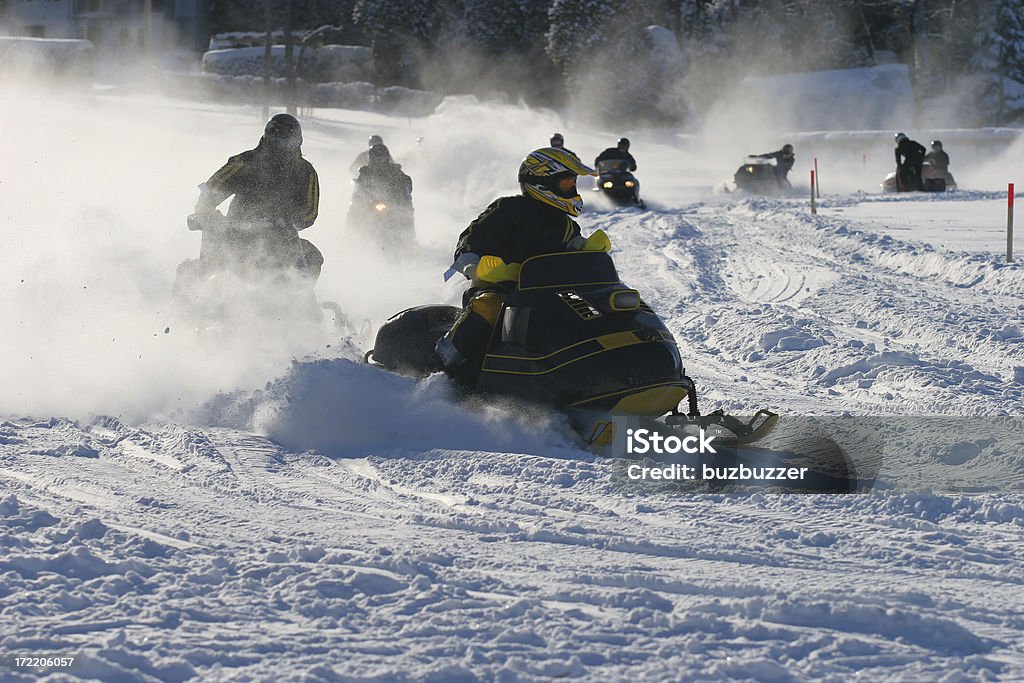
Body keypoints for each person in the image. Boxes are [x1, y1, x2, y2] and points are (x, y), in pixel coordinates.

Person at [435, 147, 597, 384]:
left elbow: (569, 250)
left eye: (573, 184)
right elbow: (473, 237)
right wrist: (472, 261)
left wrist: (584, 250)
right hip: (501, 290)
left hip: (549, 294)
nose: (572, 189)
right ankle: (446, 364)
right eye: (566, 184)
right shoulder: (508, 210)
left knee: (590, 310)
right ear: (542, 182)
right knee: (488, 306)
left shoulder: (566, 224)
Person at [192, 112, 323, 280]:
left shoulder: (306, 172)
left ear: (298, 141)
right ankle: (194, 298)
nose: (282, 146)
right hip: (237, 231)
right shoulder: (245, 162)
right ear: (268, 138)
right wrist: (205, 213)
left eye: (288, 140)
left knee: (311, 258)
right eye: (278, 140)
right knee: (210, 267)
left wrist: (288, 221)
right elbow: (213, 188)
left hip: (281, 237)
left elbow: (310, 211)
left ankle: (300, 301)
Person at [349, 143, 415, 241]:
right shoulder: (365, 172)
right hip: (370, 204)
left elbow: (406, 182)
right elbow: (359, 188)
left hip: (392, 204)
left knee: (405, 212)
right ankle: (351, 236)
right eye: (376, 157)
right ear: (371, 158)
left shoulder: (395, 171)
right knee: (354, 209)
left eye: (381, 157)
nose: (379, 160)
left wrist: (402, 194)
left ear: (386, 157)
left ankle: (409, 239)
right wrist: (360, 198)